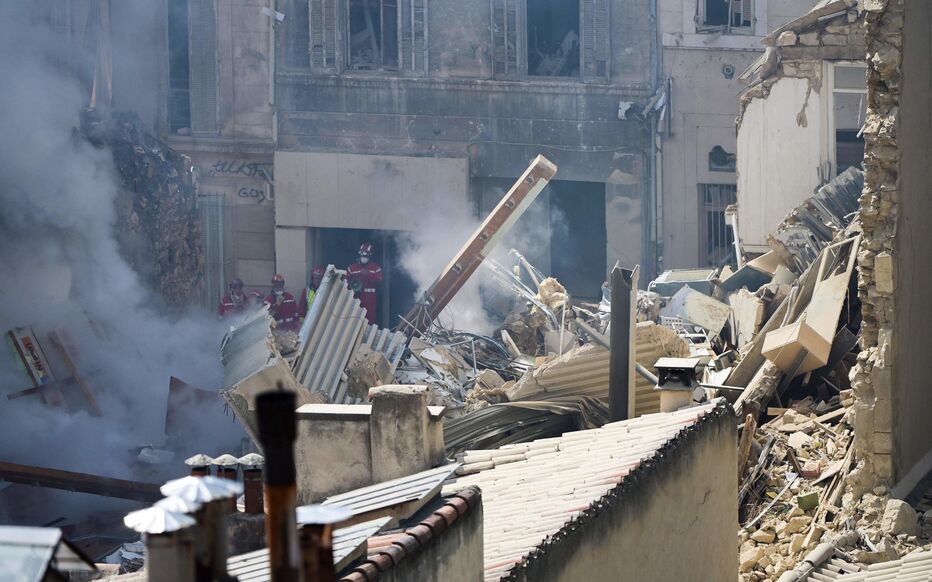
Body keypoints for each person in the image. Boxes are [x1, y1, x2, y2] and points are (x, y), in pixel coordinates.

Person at [346, 243, 383, 325]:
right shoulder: (352, 268)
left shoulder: (376, 268)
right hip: (355, 297)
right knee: (354, 318)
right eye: (362, 255)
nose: (364, 257)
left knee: (369, 319)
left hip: (369, 298)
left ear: (370, 256)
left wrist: (368, 275)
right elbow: (346, 281)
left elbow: (380, 281)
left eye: (366, 256)